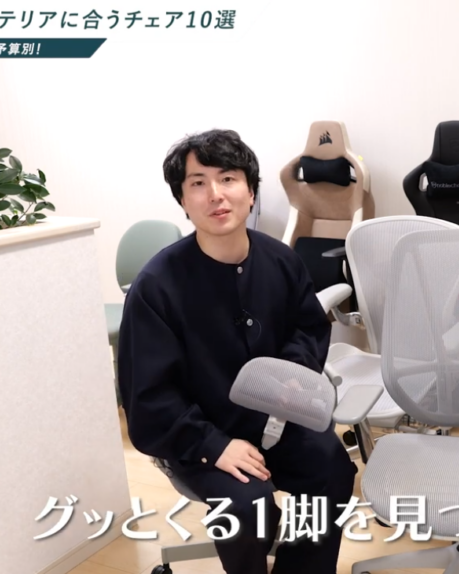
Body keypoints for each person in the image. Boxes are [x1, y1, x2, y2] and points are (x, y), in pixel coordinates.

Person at [117, 129, 356, 574]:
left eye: (228, 178)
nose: (216, 194)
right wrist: (214, 446)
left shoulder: (281, 261)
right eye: (198, 183)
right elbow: (149, 397)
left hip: (276, 418)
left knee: (332, 470)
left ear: (251, 191)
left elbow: (307, 327)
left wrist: (293, 373)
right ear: (183, 200)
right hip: (198, 433)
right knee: (248, 505)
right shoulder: (156, 286)